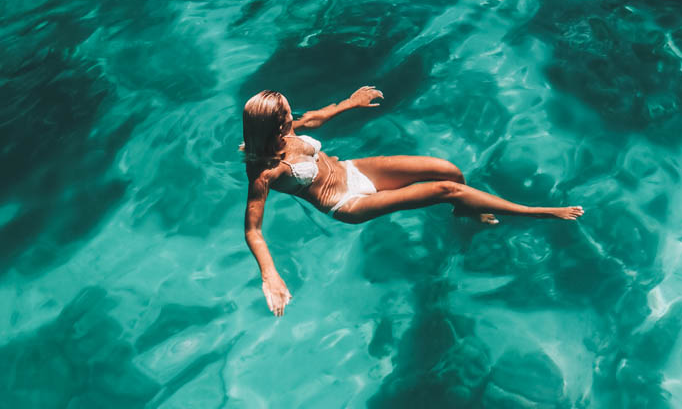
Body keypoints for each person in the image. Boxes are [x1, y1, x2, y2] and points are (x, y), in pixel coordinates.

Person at [241, 87, 584, 315]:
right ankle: (534, 212)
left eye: (288, 112)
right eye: (285, 115)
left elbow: (312, 119)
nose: (291, 117)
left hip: (353, 170)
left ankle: (466, 211)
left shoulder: (287, 131)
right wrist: (270, 275)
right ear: (271, 125)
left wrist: (349, 102)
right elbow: (253, 231)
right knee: (444, 189)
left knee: (448, 171)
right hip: (345, 203)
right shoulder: (264, 173)